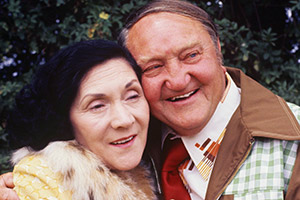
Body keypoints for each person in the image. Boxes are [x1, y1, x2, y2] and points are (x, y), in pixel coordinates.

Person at [1, 0, 300, 199]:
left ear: (218, 48)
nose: (178, 79)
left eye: (191, 55)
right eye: (154, 67)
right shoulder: (130, 143)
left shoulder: (293, 143)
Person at [1, 39, 156, 199]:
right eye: (97, 106)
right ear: (64, 120)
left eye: (132, 96)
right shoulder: (41, 178)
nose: (124, 120)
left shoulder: (152, 161)